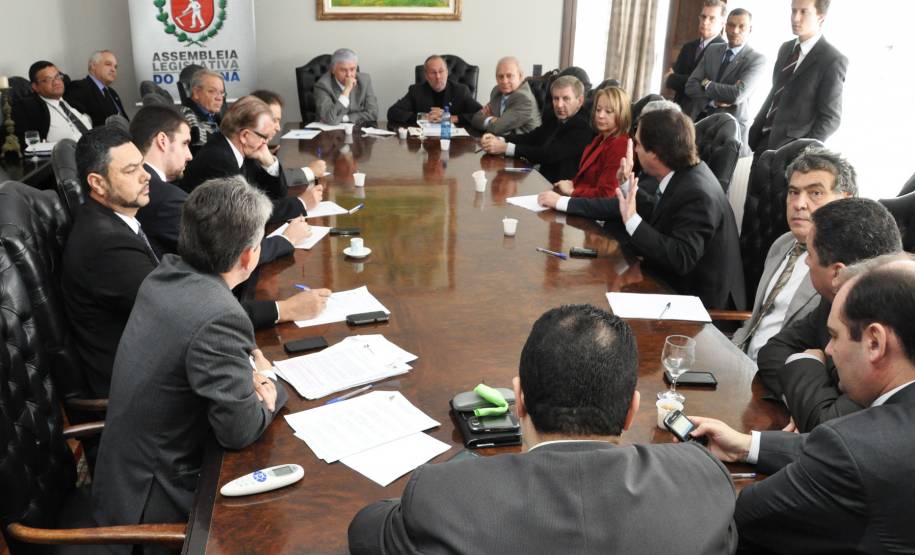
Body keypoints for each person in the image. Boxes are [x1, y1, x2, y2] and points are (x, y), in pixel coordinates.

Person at [348, 304, 738, 554]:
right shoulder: (704, 482)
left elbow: (365, 531)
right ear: (631, 411)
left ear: (518, 401)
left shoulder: (442, 495)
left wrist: (459, 470)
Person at [92, 177, 290, 549]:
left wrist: (243, 376)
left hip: (122, 478)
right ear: (249, 255)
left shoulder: (164, 274)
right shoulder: (219, 315)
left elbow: (190, 359)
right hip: (155, 503)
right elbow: (239, 430)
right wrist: (267, 383)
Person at [691, 259, 915, 554]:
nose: (830, 350)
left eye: (835, 336)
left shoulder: (854, 447)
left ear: (875, 342)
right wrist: (748, 445)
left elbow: (741, 517)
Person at [538, 109, 745, 311]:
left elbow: (681, 258)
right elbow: (659, 208)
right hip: (670, 284)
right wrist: (628, 187)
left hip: (696, 304)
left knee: (593, 304)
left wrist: (632, 221)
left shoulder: (698, 193)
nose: (635, 149)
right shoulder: (685, 175)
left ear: (654, 153)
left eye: (638, 143)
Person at [756, 198, 902, 432]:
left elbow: (829, 424)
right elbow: (773, 351)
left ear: (837, 274)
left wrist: (811, 363)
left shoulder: (886, 324)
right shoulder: (832, 301)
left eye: (810, 253)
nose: (806, 261)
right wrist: (801, 401)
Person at [732, 147, 856, 361]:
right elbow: (755, 321)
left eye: (815, 193)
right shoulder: (782, 244)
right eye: (793, 192)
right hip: (740, 362)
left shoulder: (846, 267)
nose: (799, 204)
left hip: (780, 378)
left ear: (845, 200)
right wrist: (730, 354)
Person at [60, 126, 154, 397]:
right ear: (97, 183)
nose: (145, 175)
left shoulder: (112, 221)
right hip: (136, 392)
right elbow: (176, 310)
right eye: (130, 170)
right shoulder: (105, 245)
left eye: (142, 165)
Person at [180, 96, 323, 224]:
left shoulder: (242, 149)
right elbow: (248, 214)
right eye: (264, 137)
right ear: (245, 135)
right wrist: (302, 203)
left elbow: (276, 195)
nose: (266, 142)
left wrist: (269, 163)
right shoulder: (219, 159)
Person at [748, 0, 847, 153]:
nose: (795, 18)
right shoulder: (785, 48)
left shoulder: (832, 59)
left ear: (821, 17)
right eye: (793, 11)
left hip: (792, 152)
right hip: (762, 140)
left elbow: (831, 118)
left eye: (803, 12)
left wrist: (802, 151)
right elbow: (776, 92)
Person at [479, 75, 593, 183]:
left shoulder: (583, 126)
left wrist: (505, 148)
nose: (559, 105)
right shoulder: (554, 115)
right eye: (556, 98)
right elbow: (532, 137)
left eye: (566, 99)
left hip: (560, 189)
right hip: (542, 177)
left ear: (580, 101)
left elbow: (548, 154)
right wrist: (500, 139)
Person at [685, 8, 766, 152]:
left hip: (730, 134)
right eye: (731, 25)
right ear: (725, 26)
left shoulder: (756, 59)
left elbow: (736, 95)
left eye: (741, 26)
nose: (735, 30)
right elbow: (690, 85)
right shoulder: (712, 50)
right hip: (700, 124)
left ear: (750, 29)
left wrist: (706, 83)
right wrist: (713, 100)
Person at [539, 85, 631, 198]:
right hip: (580, 201)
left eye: (608, 111)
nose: (600, 115)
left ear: (621, 114)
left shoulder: (620, 144)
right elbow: (587, 179)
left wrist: (573, 191)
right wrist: (573, 182)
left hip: (591, 211)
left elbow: (606, 194)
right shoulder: (600, 138)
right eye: (598, 110)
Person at [249, 89, 327, 186]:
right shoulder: (245, 153)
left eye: (279, 121)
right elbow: (267, 183)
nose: (278, 128)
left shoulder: (253, 148)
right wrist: (310, 172)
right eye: (274, 120)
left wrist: (267, 155)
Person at [386, 55, 482, 127]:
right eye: (433, 72)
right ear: (426, 76)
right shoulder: (416, 91)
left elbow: (481, 114)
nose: (438, 76)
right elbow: (392, 112)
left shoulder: (461, 91)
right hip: (424, 143)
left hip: (453, 142)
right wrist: (424, 117)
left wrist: (452, 118)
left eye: (441, 71)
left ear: (447, 72)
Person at [665, 0, 726, 113]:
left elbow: (707, 86)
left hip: (701, 114)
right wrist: (695, 82)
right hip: (678, 110)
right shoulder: (688, 47)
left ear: (722, 24)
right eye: (703, 17)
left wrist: (675, 78)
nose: (705, 22)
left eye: (712, 18)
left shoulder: (723, 50)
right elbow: (671, 82)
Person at [12, 60, 92, 145]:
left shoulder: (72, 100)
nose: (56, 82)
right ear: (35, 87)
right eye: (47, 79)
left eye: (57, 76)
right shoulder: (28, 108)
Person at [470, 56, 541, 135]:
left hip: (522, 145)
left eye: (509, 76)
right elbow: (475, 119)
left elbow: (496, 128)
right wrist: (492, 119)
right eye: (500, 76)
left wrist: (491, 120)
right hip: (498, 141)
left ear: (520, 76)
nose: (504, 81)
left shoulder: (524, 99)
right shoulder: (497, 91)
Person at [314, 48, 379, 125]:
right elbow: (330, 119)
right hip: (329, 133)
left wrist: (345, 118)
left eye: (352, 69)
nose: (349, 74)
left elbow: (373, 113)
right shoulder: (322, 85)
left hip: (358, 131)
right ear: (333, 70)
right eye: (343, 70)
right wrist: (346, 90)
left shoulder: (364, 80)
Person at [64, 50, 129, 127]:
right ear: (93, 65)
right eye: (108, 64)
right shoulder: (79, 87)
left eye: (115, 67)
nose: (113, 70)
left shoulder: (112, 92)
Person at [179, 69, 225, 149]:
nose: (219, 98)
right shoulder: (186, 117)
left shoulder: (215, 116)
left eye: (221, 93)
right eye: (212, 91)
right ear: (196, 93)